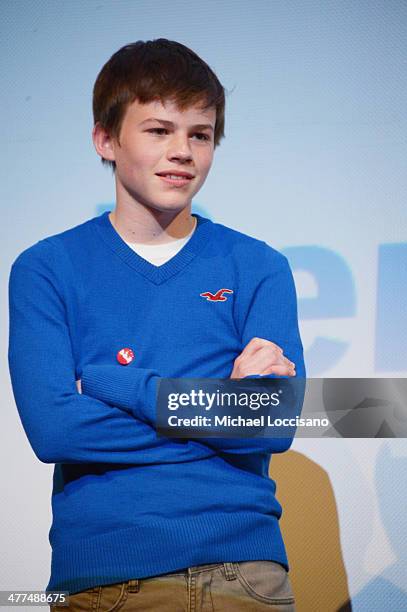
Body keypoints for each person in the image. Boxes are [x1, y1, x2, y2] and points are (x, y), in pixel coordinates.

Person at [8, 38, 305, 611]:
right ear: (105, 139)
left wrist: (115, 384)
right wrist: (220, 410)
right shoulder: (46, 268)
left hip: (246, 576)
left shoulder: (259, 265)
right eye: (158, 130)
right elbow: (55, 432)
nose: (183, 151)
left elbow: (275, 426)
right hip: (107, 582)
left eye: (199, 134)